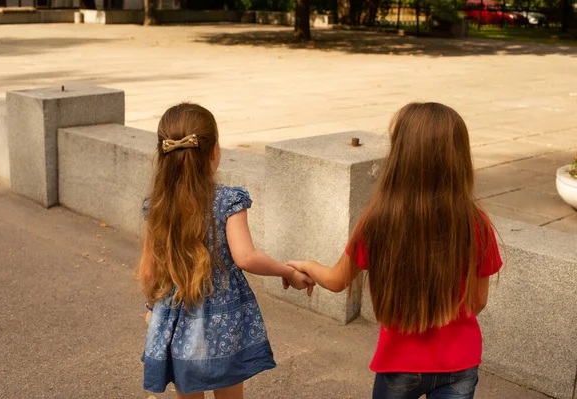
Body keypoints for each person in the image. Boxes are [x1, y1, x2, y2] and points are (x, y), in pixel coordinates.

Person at [286, 102, 503, 399]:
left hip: (401, 364)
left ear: (400, 155)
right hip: (460, 362)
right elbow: (478, 301)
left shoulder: (378, 221)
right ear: (460, 158)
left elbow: (337, 281)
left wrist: (307, 265)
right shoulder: (476, 224)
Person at [138, 103, 314, 399]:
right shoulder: (228, 200)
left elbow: (149, 269)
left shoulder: (157, 206)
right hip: (226, 321)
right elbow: (246, 257)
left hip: (178, 317)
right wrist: (288, 271)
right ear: (214, 150)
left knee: (188, 391)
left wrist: (151, 308)